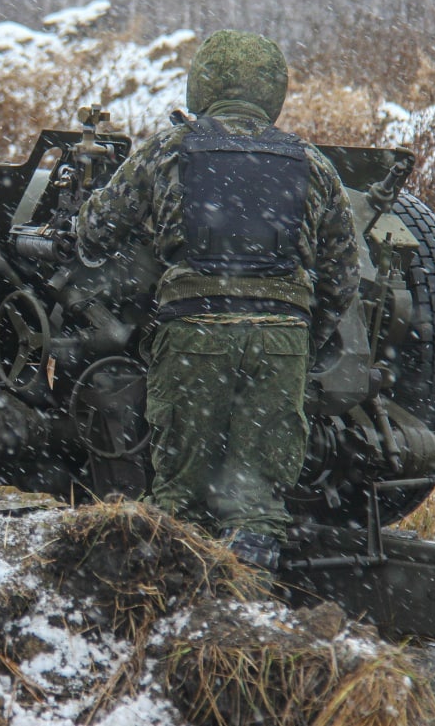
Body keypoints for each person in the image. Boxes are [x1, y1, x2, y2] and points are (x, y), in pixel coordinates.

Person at [77, 30, 359, 572]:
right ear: (272, 90)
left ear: (202, 83)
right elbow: (342, 276)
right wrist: (301, 336)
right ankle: (246, 613)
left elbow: (97, 229)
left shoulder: (168, 150)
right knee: (255, 504)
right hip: (281, 341)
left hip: (194, 335)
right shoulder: (311, 163)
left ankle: (175, 611)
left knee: (179, 496)